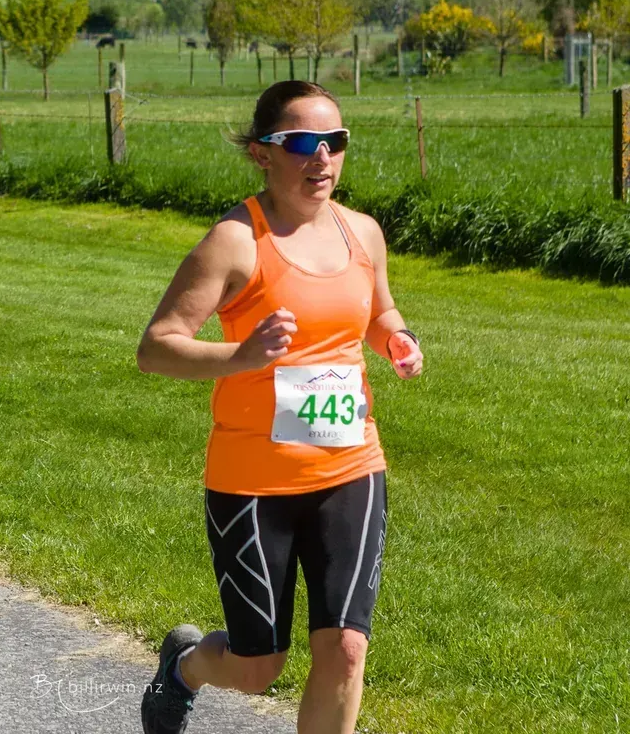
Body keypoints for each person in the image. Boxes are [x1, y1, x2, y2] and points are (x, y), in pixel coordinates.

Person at [137, 80, 423, 734]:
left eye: (336, 142)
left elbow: (377, 309)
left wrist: (396, 340)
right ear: (262, 153)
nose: (322, 157)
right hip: (252, 482)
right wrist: (240, 358)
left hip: (350, 465)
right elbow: (156, 347)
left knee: (347, 648)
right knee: (257, 665)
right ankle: (186, 663)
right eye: (301, 142)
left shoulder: (363, 234)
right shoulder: (236, 241)